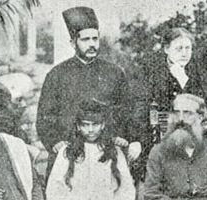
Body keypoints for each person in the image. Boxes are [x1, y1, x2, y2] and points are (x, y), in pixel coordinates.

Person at [37, 6, 141, 164]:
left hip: (107, 152)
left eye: (95, 38)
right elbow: (45, 117)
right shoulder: (57, 75)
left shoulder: (114, 73)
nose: (92, 44)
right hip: (69, 153)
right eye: (85, 40)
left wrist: (127, 138)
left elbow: (127, 110)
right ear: (73, 43)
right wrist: (54, 142)